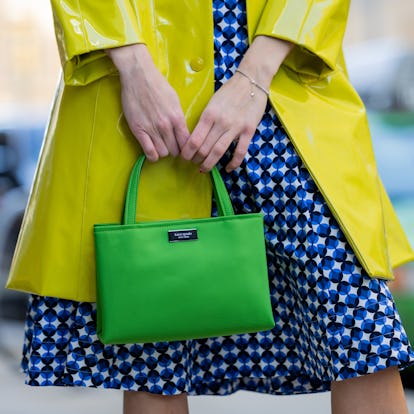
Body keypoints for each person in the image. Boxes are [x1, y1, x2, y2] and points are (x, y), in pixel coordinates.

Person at [6, 0, 414, 413]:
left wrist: (255, 76)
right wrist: (133, 66)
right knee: (152, 350)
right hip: (141, 86)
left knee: (361, 335)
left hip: (284, 81)